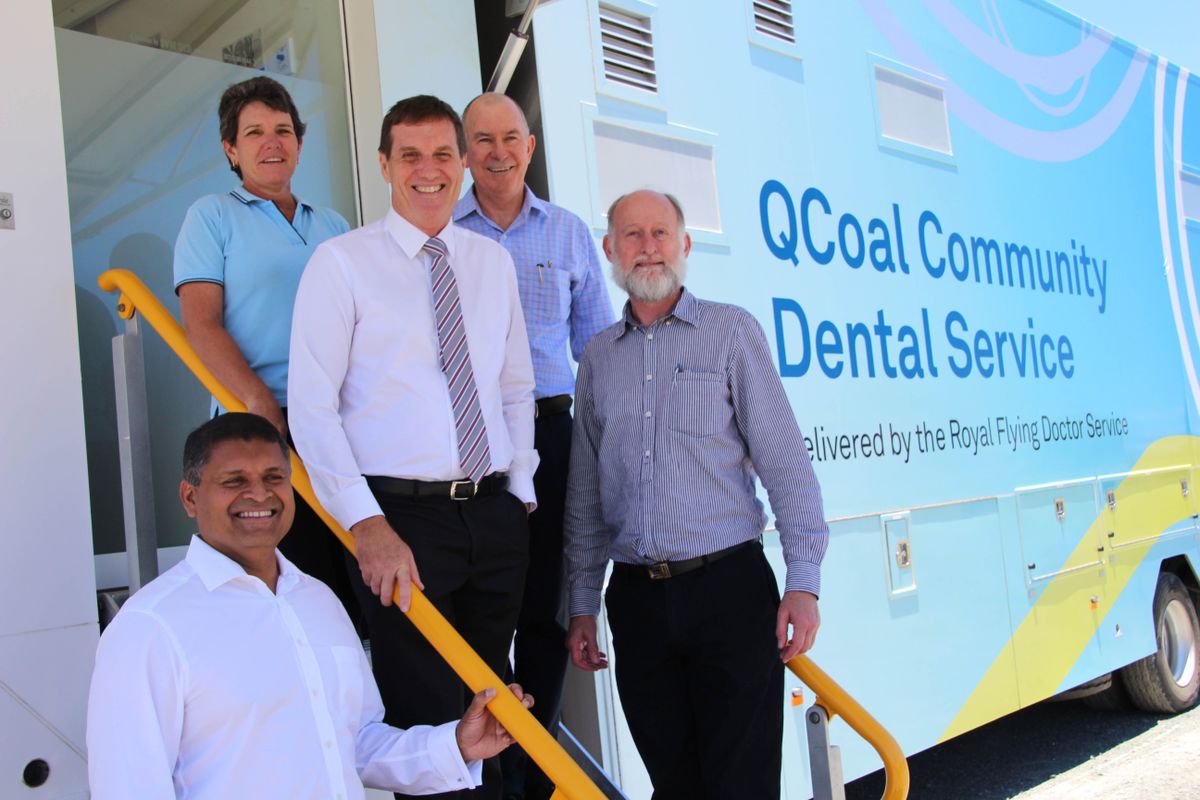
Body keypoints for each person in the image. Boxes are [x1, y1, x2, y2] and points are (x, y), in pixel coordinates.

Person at [288, 94, 537, 800]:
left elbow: (515, 386)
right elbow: (311, 409)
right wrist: (365, 526)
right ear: (384, 165)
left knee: (498, 712)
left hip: (491, 516)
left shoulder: (491, 263)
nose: (428, 171)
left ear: (461, 165)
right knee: (428, 719)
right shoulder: (341, 265)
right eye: (410, 156)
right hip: (400, 524)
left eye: (441, 155)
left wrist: (519, 490)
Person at [86, 413, 533, 800]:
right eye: (234, 481)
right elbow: (128, 788)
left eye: (274, 478)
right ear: (189, 498)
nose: (260, 495)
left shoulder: (318, 601)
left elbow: (357, 744)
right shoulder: (149, 626)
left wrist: (458, 744)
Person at [563, 190, 830, 799]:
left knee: (743, 785)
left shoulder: (732, 333)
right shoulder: (599, 359)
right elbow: (585, 496)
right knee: (673, 786)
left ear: (685, 245)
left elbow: (785, 464)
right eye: (632, 235)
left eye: (661, 233)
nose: (648, 246)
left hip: (729, 592)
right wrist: (583, 603)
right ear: (610, 250)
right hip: (637, 602)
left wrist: (803, 582)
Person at [453, 92, 614, 800]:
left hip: (551, 431)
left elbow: (599, 352)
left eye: (509, 137)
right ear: (465, 152)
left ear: (530, 144)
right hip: (468, 441)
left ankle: (533, 774)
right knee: (481, 614)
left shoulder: (569, 234)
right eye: (481, 139)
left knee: (545, 614)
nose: (497, 151)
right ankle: (490, 771)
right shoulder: (442, 233)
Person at [172, 76, 361, 630]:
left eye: (283, 130)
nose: (271, 141)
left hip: (334, 418)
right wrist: (260, 406)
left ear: (300, 144)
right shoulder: (211, 215)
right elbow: (201, 325)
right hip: (260, 422)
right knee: (287, 574)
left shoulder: (332, 225)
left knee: (352, 576)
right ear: (231, 149)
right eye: (254, 132)